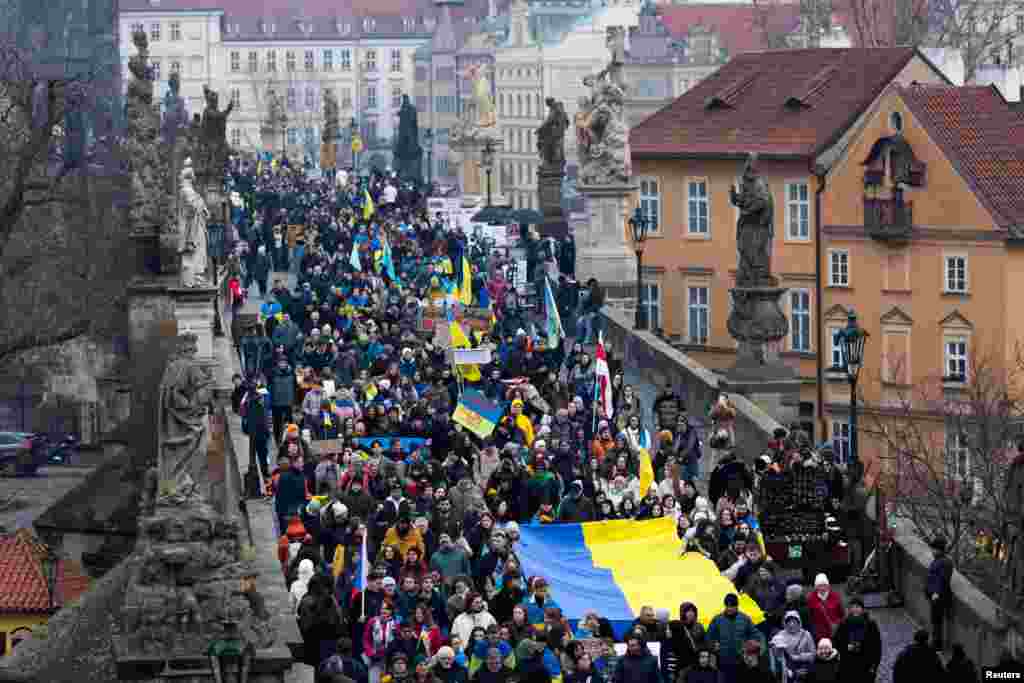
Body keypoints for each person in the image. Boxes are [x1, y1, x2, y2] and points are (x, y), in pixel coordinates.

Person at [707, 594, 763, 681]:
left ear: (737, 606)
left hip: (741, 661)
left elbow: (756, 635)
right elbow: (708, 637)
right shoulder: (717, 620)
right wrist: (714, 645)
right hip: (723, 662)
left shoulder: (745, 619)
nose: (729, 608)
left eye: (732, 606)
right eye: (727, 605)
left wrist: (750, 646)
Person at [831, 596, 881, 683]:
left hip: (866, 664)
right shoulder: (843, 623)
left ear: (862, 609)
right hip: (847, 665)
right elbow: (836, 643)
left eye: (857, 607)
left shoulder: (871, 624)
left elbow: (876, 646)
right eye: (852, 607)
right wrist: (845, 647)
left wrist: (874, 665)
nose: (855, 609)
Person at [768, 612, 814, 683]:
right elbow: (773, 652)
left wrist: (798, 657)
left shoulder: (806, 635)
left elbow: (813, 654)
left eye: (794, 621)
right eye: (789, 621)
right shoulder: (780, 635)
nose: (791, 624)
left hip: (804, 668)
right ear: (785, 623)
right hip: (786, 670)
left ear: (799, 622)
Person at [926, 537, 954, 651]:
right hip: (935, 595)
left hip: (939, 596)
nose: (932, 551)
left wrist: (936, 592)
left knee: (937, 620)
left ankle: (937, 644)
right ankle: (935, 642)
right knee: (935, 620)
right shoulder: (938, 560)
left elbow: (942, 579)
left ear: (939, 550)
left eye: (934, 549)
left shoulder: (944, 562)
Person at [805, 574, 844, 644]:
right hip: (819, 634)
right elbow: (809, 616)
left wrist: (837, 623)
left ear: (828, 586)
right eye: (819, 586)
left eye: (824, 585)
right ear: (816, 587)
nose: (822, 588)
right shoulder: (811, 598)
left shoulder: (835, 596)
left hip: (834, 632)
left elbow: (841, 614)